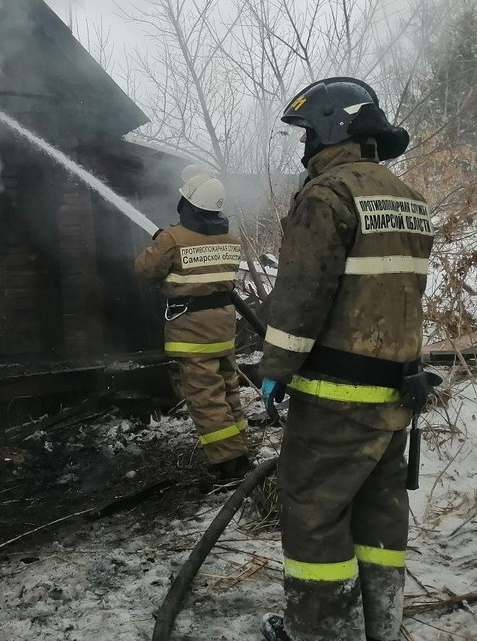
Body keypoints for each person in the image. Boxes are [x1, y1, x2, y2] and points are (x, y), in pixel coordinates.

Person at [257, 78, 434, 641]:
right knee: (379, 509)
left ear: (333, 125)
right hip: (396, 391)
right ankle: (381, 626)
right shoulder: (406, 196)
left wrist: (275, 370)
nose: (303, 145)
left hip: (337, 394)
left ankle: (320, 632)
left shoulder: (328, 194)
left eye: (307, 131)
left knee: (314, 510)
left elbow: (303, 294)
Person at [135, 167, 250, 482]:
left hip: (192, 332)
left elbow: (145, 271)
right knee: (228, 389)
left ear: (187, 203)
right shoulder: (231, 237)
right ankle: (240, 448)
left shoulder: (173, 238)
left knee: (205, 397)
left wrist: (160, 242)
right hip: (223, 329)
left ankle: (230, 464)